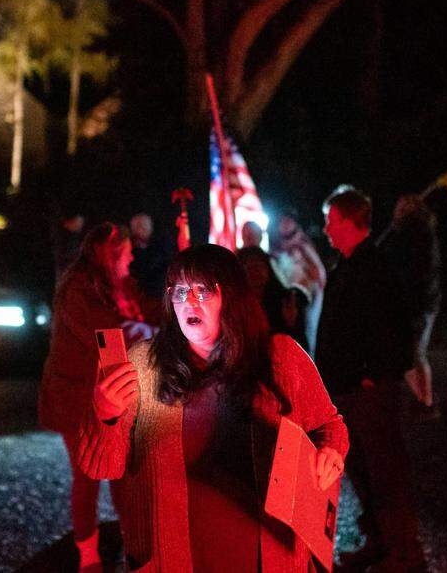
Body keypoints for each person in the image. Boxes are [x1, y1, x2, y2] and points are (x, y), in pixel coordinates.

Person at [78, 244, 348, 571]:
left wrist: (330, 451)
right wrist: (105, 414)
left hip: (267, 556)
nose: (188, 301)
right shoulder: (143, 366)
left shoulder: (281, 358)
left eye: (203, 291)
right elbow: (102, 466)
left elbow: (329, 426)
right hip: (178, 560)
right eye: (179, 292)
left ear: (231, 297)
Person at [314, 185, 425, 571]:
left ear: (347, 222)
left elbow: (392, 328)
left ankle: (404, 552)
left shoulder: (373, 268)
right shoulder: (349, 266)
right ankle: (379, 541)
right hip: (350, 389)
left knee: (386, 473)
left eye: (331, 222)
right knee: (363, 470)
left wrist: (371, 375)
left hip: (369, 390)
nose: (326, 230)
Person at [38, 223, 156, 572]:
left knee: (123, 473)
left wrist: (180, 310)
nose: (133, 256)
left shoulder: (122, 285)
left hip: (113, 398)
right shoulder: (78, 289)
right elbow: (104, 334)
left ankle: (130, 541)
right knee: (87, 477)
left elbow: (148, 309)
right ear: (110, 252)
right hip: (75, 400)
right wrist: (145, 332)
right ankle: (88, 556)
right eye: (127, 251)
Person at [378, 193, 442, 408]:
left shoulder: (418, 234)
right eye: (399, 206)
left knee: (415, 353)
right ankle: (423, 399)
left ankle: (426, 401)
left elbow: (416, 271)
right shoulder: (399, 234)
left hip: (419, 303)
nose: (399, 210)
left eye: (404, 207)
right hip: (409, 302)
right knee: (408, 354)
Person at [270, 210, 327, 354]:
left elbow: (319, 275)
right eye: (282, 222)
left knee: (308, 333)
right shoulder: (275, 253)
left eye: (288, 221)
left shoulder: (303, 247)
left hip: (306, 301)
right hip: (287, 301)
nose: (285, 224)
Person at [237, 245, 309, 353]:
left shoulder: (285, 301)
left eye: (258, 266)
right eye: (248, 268)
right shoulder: (233, 304)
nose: (254, 273)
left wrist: (291, 326)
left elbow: (301, 350)